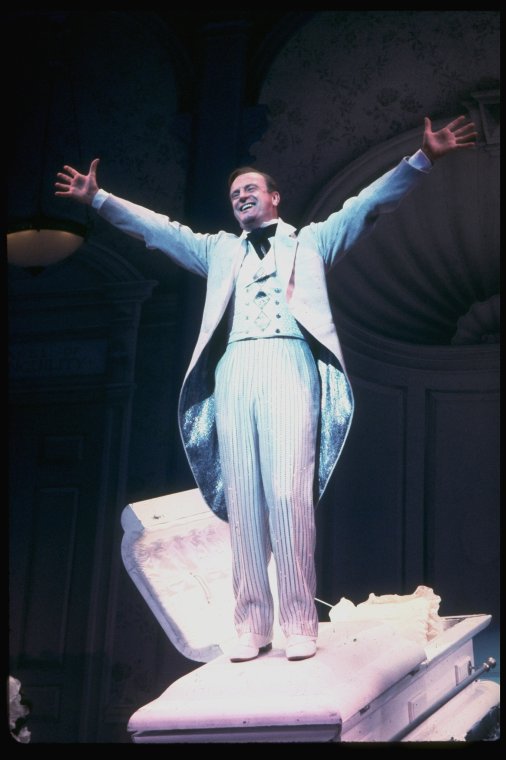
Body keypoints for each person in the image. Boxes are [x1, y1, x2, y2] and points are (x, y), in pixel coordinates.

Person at [55, 115, 476, 663]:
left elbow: (368, 205)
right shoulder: (219, 250)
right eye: (234, 194)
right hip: (234, 368)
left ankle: (299, 620)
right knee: (246, 501)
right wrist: (100, 200)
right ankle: (250, 623)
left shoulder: (312, 241)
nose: (241, 197)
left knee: (287, 494)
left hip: (287, 359)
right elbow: (160, 231)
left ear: (274, 198)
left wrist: (422, 160)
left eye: (250, 189)